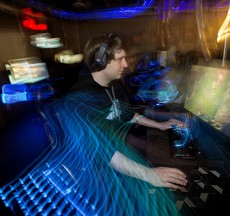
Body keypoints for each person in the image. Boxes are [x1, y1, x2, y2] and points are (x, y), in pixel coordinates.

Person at [39, 33, 195, 215]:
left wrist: (158, 125)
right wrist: (149, 174)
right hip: (91, 172)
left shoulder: (114, 87)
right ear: (100, 61)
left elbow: (128, 114)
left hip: (115, 158)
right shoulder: (81, 99)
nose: (126, 64)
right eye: (120, 59)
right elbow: (100, 149)